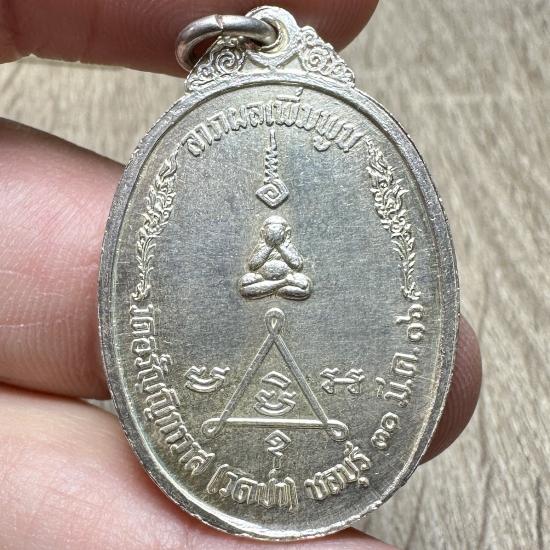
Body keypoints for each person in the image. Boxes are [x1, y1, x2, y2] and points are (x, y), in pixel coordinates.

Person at [0, 1, 481, 548]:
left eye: (277, 231)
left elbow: (296, 275)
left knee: (292, 284)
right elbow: (255, 275)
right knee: (262, 285)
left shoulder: (285, 246)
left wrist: (283, 269)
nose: (273, 233)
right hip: (266, 291)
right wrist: (269, 272)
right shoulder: (263, 247)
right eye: (270, 231)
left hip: (284, 291)